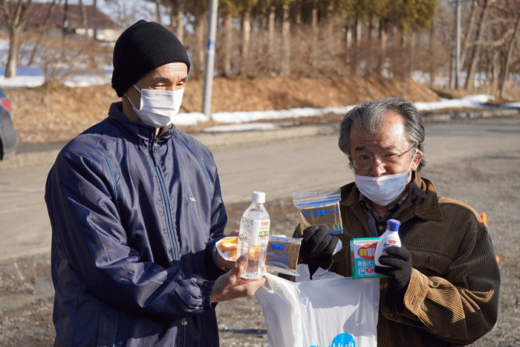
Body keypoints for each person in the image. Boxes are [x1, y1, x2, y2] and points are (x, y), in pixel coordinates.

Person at [45, 20, 266, 346]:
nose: (173, 94)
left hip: (191, 336)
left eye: (181, 83)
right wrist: (207, 292)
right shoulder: (84, 160)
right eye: (159, 84)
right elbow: (111, 270)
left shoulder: (197, 156)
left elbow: (204, 242)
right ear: (126, 86)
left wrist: (220, 256)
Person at [295, 97, 500, 346]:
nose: (377, 169)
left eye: (389, 155)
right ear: (350, 158)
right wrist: (306, 268)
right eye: (363, 157)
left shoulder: (458, 222)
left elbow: (478, 315)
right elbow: (280, 297)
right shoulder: (321, 215)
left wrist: (411, 287)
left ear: (415, 157)